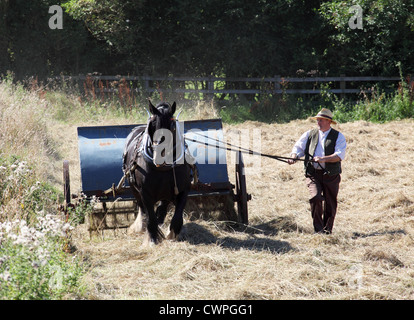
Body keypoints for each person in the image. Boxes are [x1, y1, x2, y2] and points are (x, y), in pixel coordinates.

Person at [288, 108, 346, 234]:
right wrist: (294, 157)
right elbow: (298, 148)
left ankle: (327, 231)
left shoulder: (338, 136)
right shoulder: (310, 134)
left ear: (329, 121)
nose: (318, 123)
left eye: (321, 120)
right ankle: (318, 231)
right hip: (313, 173)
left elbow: (339, 155)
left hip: (331, 175)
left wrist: (323, 159)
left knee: (330, 204)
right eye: (317, 120)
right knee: (315, 197)